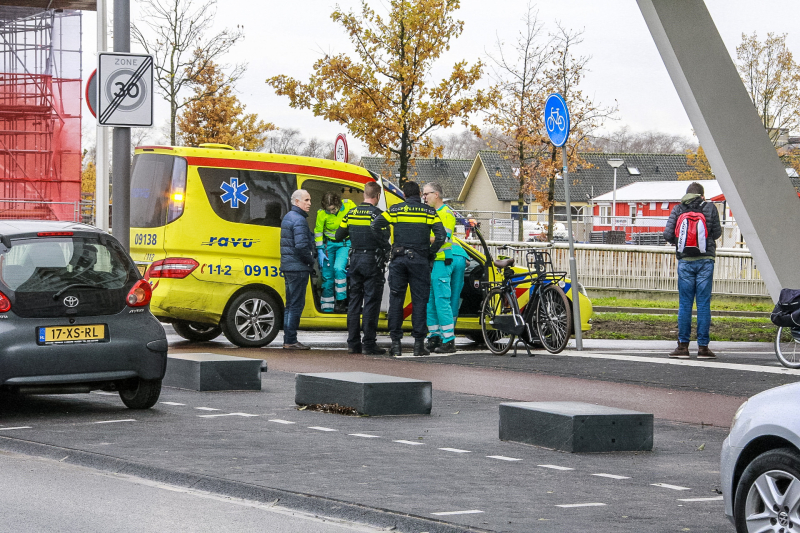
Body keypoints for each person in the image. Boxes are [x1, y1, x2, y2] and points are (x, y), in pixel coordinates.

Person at [372, 181, 446, 357]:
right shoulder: (429, 212)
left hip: (398, 259)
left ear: (404, 195)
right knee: (420, 302)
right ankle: (418, 345)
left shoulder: (395, 210)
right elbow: (441, 235)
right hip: (420, 261)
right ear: (419, 194)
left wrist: (386, 247)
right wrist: (430, 253)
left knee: (396, 300)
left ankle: (396, 344)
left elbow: (375, 225)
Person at [663, 181, 722, 359]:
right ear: (702, 196)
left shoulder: (678, 209)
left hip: (685, 262)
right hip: (705, 261)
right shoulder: (710, 208)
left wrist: (679, 242)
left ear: (687, 194)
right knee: (703, 304)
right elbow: (717, 233)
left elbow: (667, 234)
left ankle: (683, 347)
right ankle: (703, 348)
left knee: (685, 304)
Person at [334, 181, 391, 355]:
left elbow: (338, 235)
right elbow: (385, 237)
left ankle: (353, 343)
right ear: (378, 196)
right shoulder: (378, 215)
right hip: (372, 260)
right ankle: (369, 343)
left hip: (355, 260)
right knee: (371, 302)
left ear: (364, 194)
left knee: (354, 302)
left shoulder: (350, 213)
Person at [422, 182, 457, 354]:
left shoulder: (446, 213)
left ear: (436, 194)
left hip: (442, 261)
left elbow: (443, 237)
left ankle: (448, 340)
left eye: (426, 194)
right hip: (431, 262)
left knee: (442, 302)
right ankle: (434, 336)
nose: (424, 197)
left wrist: (419, 236)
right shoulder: (432, 213)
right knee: (430, 303)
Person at [280, 189, 315, 350]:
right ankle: (291, 340)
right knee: (296, 305)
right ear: (297, 202)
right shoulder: (300, 220)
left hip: (288, 266)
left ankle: (288, 339)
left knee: (290, 305)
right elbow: (301, 246)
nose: (309, 203)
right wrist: (311, 261)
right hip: (298, 268)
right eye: (306, 200)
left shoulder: (288, 217)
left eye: (309, 200)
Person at [315, 192, 356, 313]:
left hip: (344, 244)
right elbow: (318, 232)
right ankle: (327, 307)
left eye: (333, 209)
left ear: (338, 204)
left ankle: (340, 301)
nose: (331, 212)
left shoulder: (349, 205)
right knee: (327, 276)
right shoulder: (322, 213)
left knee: (339, 268)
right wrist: (320, 250)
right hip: (329, 245)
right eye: (329, 210)